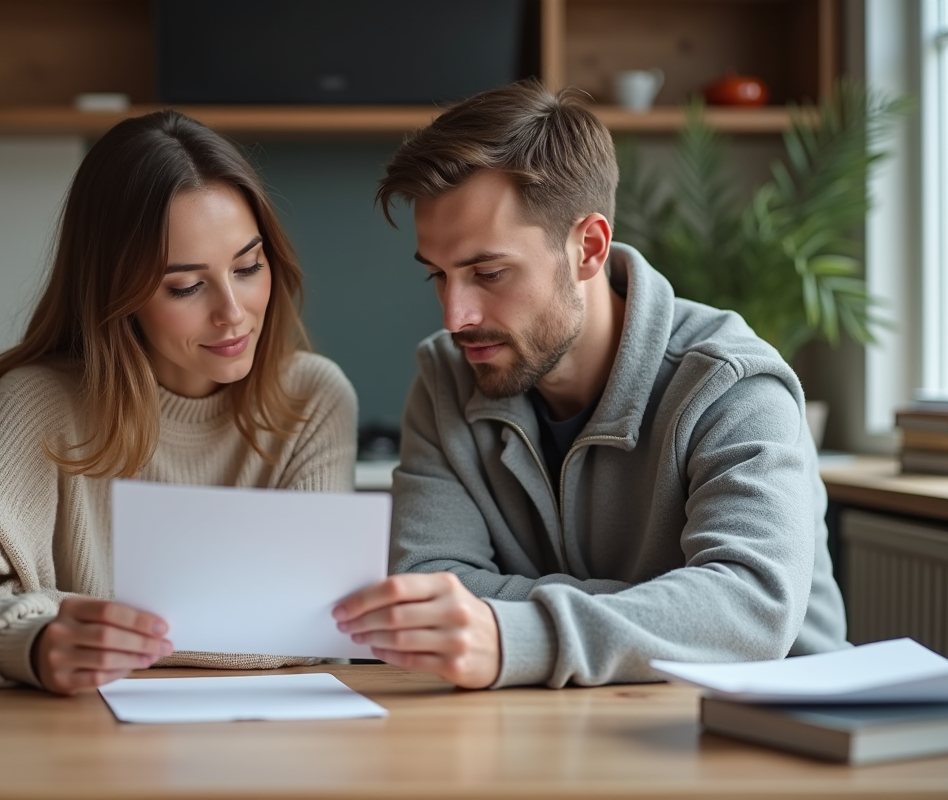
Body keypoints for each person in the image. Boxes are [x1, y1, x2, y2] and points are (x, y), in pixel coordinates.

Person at [333, 79, 848, 689]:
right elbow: (431, 586)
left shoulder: (731, 386)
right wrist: (664, 605)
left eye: (488, 272)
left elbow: (749, 610)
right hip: (554, 731)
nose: (455, 316)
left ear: (589, 248)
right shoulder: (446, 378)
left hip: (761, 741)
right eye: (439, 277)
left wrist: (519, 634)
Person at [0, 111, 358, 695]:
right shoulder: (40, 404)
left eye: (248, 267)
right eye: (185, 286)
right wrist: (32, 640)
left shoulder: (313, 398)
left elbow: (313, 623)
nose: (232, 311)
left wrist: (49, 607)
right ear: (117, 293)